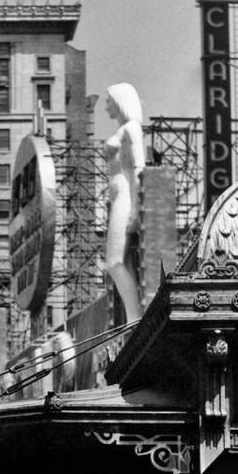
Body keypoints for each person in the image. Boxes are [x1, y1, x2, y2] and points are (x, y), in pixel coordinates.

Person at [103, 82, 146, 321]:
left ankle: (134, 317)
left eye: (108, 100)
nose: (105, 106)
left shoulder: (131, 129)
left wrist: (136, 211)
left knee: (114, 262)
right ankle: (133, 316)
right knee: (121, 262)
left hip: (125, 197)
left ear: (119, 101)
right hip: (118, 196)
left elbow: (139, 169)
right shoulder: (123, 129)